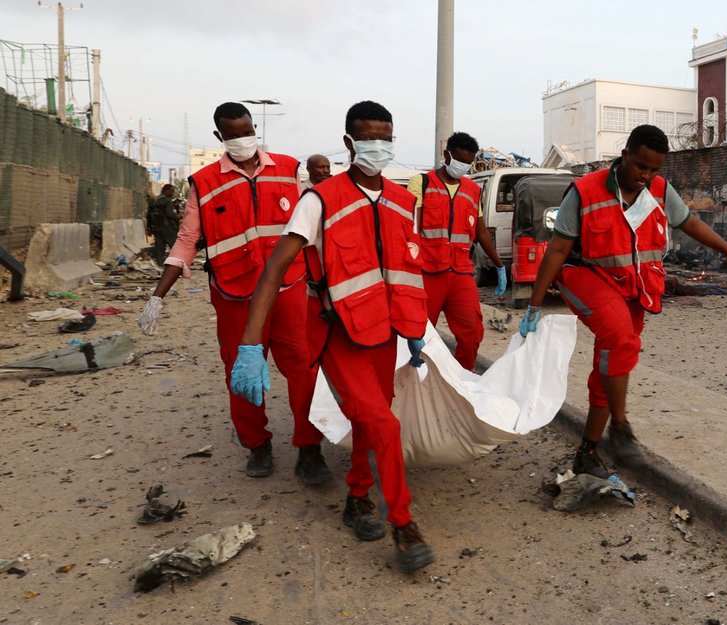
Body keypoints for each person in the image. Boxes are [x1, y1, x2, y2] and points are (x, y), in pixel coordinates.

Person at [229, 100, 435, 574]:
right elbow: (275, 270)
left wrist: (420, 330)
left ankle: (357, 498)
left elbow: (407, 267)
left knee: (372, 420)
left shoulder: (405, 201)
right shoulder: (319, 200)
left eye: (386, 138)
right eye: (368, 138)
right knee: (383, 424)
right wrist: (250, 345)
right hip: (337, 335)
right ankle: (403, 525)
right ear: (348, 143)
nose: (378, 147)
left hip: (385, 334)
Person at [520, 124, 727, 478]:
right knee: (620, 340)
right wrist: (534, 304)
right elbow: (557, 249)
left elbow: (689, 223)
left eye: (654, 170)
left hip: (632, 286)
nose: (645, 176)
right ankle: (619, 428)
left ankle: (586, 452)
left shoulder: (659, 191)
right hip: (584, 276)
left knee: (614, 359)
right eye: (640, 167)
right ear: (624, 156)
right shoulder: (585, 192)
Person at [136, 102, 329, 486]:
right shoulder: (204, 182)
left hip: (288, 289)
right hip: (234, 294)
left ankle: (310, 448)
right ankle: (258, 445)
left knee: (304, 369)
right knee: (242, 374)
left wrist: (324, 285)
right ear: (219, 137)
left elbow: (312, 230)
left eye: (247, 130)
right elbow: (188, 239)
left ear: (254, 127)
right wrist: (158, 295)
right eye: (233, 134)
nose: (243, 139)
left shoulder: (290, 169)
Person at [407, 131, 506, 370]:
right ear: (446, 154)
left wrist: (500, 266)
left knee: (472, 331)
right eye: (460, 160)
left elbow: (481, 232)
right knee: (418, 333)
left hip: (460, 272)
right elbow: (410, 228)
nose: (463, 166)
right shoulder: (422, 183)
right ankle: (416, 379)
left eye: (468, 163)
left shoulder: (472, 190)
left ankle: (464, 378)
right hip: (427, 271)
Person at [147, 183, 181, 266]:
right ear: (166, 190)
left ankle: (160, 263)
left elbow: (148, 215)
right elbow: (171, 214)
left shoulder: (155, 200)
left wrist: (149, 227)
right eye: (171, 191)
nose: (172, 194)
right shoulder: (167, 201)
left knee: (159, 247)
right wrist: (178, 217)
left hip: (156, 227)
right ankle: (177, 263)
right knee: (174, 245)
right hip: (167, 227)